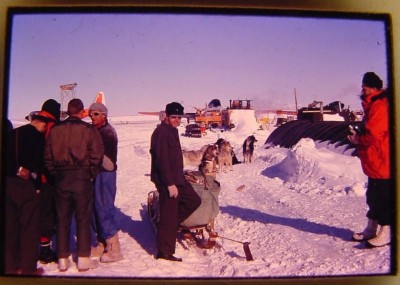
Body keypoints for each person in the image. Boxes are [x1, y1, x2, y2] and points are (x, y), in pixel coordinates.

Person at [44, 98, 104, 271]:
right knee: (83, 218)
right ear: (80, 112)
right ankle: (83, 258)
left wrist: (57, 175)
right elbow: (97, 155)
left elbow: (47, 157)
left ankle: (62, 258)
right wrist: (90, 174)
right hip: (82, 178)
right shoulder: (89, 130)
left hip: (61, 179)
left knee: (62, 220)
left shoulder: (55, 130)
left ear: (68, 111)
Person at [150, 102, 201, 262]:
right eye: (174, 117)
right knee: (169, 215)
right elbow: (162, 160)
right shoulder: (161, 133)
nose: (177, 120)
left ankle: (169, 226)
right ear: (166, 116)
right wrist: (169, 183)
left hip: (177, 177)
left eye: (179, 117)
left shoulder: (172, 131)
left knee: (193, 200)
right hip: (167, 181)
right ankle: (164, 252)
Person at [348, 72, 393, 247]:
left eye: (365, 86)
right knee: (373, 196)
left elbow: (374, 134)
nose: (362, 89)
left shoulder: (379, 105)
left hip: (382, 160)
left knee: (382, 197)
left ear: (374, 88)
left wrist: (358, 139)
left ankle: (387, 231)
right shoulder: (372, 105)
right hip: (374, 161)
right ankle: (371, 229)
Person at [5, 111, 51, 275]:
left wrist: (14, 169)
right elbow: (39, 164)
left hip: (7, 183)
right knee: (30, 227)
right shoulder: (37, 137)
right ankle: (28, 269)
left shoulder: (13, 133)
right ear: (42, 124)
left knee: (11, 227)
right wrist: (38, 186)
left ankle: (10, 267)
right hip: (25, 186)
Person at [88, 102, 123, 263]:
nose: (92, 117)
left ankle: (114, 248)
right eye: (90, 114)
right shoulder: (96, 131)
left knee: (104, 208)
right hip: (96, 174)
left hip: (106, 174)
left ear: (104, 115)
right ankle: (102, 243)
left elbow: (108, 161)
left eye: (95, 114)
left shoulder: (108, 132)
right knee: (95, 208)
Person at [36, 99, 61, 264]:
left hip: (32, 178)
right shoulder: (53, 127)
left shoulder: (35, 124)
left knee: (37, 214)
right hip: (48, 179)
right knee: (49, 214)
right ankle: (45, 251)